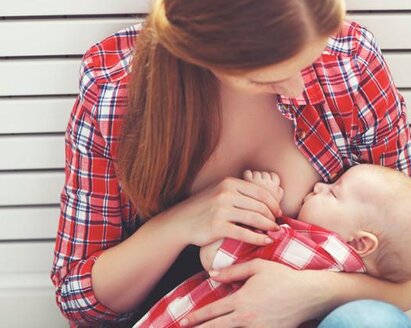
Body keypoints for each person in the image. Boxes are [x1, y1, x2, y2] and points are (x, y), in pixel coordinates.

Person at [50, 0, 411, 326]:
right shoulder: (115, 89)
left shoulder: (349, 61)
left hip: (328, 316)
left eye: (309, 60)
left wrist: (316, 291)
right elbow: (79, 299)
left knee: (370, 320)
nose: (298, 87)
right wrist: (181, 223)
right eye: (266, 77)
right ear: (205, 54)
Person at [132, 164, 411, 327]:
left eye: (333, 192)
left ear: (359, 241)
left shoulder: (314, 250)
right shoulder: (362, 272)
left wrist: (260, 208)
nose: (319, 186)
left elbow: (214, 255)